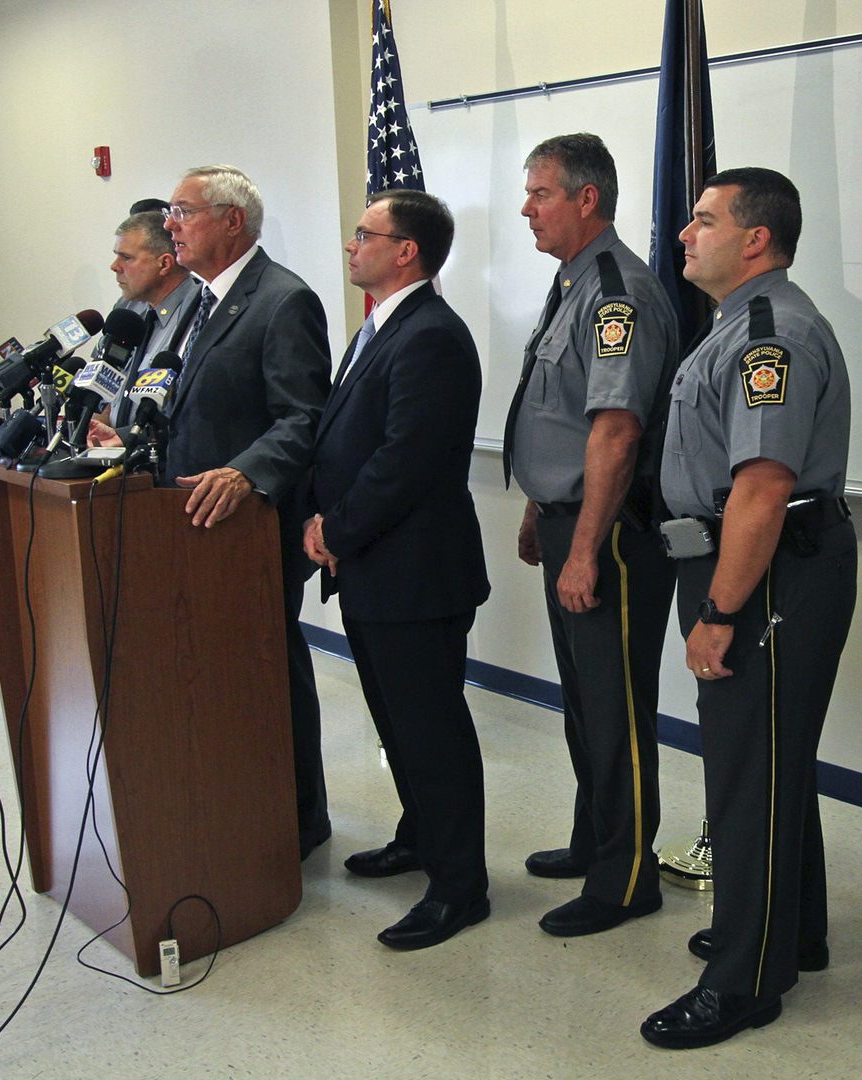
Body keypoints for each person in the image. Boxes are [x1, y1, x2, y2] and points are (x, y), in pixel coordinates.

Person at [640, 167, 855, 1050]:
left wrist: (721, 611)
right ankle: (790, 929)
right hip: (753, 563)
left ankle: (743, 979)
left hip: (765, 571)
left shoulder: (770, 335)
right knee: (772, 760)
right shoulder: (736, 325)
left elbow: (762, 491)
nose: (685, 234)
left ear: (756, 238)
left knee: (746, 772)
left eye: (703, 220)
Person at [502, 133, 682, 937]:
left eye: (540, 193)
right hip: (574, 518)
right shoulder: (573, 282)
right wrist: (543, 505)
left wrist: (583, 546)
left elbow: (614, 431)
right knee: (585, 702)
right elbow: (561, 413)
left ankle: (628, 878)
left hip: (610, 535)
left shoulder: (617, 292)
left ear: (587, 198)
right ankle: (595, 839)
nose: (526, 208)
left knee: (615, 708)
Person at [304, 189, 493, 951]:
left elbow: (404, 462)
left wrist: (336, 530)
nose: (352, 245)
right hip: (375, 570)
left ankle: (460, 886)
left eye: (364, 234)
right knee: (398, 724)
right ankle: (421, 837)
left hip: (415, 573)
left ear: (406, 249)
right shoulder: (382, 326)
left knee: (431, 729)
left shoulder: (431, 336)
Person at [160, 164, 333, 859]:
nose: (170, 224)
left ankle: (297, 816)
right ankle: (236, 798)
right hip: (185, 522)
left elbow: (303, 416)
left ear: (233, 221)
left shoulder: (282, 300)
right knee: (220, 675)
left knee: (267, 668)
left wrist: (245, 472)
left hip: (251, 527)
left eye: (183, 211)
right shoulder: (190, 302)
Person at [103, 209, 202, 425]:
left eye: (126, 257)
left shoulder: (200, 312)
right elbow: (108, 380)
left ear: (164, 264)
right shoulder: (127, 309)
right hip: (116, 450)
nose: (114, 266)